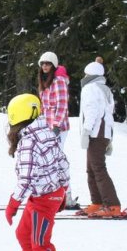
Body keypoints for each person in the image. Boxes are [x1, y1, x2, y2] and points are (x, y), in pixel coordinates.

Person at [0, 93, 73, 251]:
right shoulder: (46, 132)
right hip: (43, 195)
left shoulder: (29, 142)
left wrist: (13, 203)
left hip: (44, 198)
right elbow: (64, 163)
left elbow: (26, 179)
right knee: (24, 235)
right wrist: (64, 189)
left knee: (42, 245)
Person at [78, 57, 126, 218]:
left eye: (85, 73)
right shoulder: (104, 88)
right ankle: (97, 202)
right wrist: (109, 138)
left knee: (97, 168)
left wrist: (86, 131)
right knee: (92, 168)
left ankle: (112, 205)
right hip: (103, 132)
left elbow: (91, 111)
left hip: (95, 132)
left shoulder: (90, 88)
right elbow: (108, 115)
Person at [37, 51, 77, 209]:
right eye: (42, 64)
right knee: (48, 161)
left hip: (58, 128)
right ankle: (52, 194)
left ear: (53, 65)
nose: (45, 66)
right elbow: (43, 106)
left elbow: (62, 105)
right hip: (47, 126)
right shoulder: (44, 81)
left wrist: (56, 125)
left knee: (57, 161)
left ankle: (66, 197)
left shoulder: (59, 80)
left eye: (48, 64)